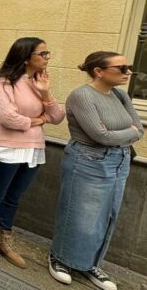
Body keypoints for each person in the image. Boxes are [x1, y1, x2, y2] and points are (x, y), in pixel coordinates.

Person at [48, 52, 142, 290]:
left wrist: (122, 135)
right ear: (99, 71)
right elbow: (100, 135)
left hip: (119, 161)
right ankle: (60, 258)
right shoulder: (82, 96)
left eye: (128, 67)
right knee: (78, 212)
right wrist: (127, 133)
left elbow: (139, 128)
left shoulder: (120, 95)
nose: (128, 72)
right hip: (88, 160)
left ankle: (90, 263)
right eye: (121, 68)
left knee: (107, 214)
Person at [0, 37, 65, 268]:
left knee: (13, 198)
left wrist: (45, 94)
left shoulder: (39, 82)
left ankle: (3, 239)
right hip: (3, 148)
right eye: (42, 54)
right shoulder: (3, 83)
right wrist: (39, 119)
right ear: (26, 57)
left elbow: (57, 117)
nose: (47, 58)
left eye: (47, 53)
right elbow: (9, 119)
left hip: (32, 149)